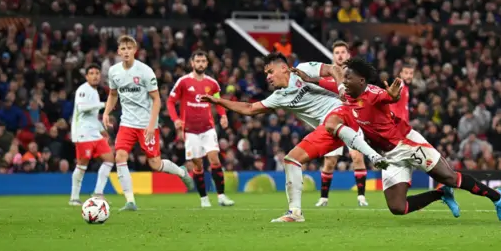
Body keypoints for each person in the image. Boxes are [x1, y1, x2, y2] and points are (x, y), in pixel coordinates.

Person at [293, 57, 501, 221]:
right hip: (388, 156)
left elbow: (390, 97)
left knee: (451, 178)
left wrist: (394, 96)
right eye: (344, 77)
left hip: (407, 144)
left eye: (348, 78)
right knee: (398, 208)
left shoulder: (375, 94)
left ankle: (496, 197)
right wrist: (309, 79)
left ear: (361, 80)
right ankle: (440, 195)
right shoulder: (347, 92)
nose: (343, 81)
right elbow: (327, 83)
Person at [201, 52, 388, 223]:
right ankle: (295, 212)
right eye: (266, 74)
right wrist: (219, 101)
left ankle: (373, 156)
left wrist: (340, 88)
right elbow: (249, 109)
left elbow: (334, 69)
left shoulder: (304, 69)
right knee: (291, 160)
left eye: (270, 72)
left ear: (283, 68)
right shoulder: (279, 96)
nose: (268, 77)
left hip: (344, 110)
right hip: (330, 130)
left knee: (333, 123)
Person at [103, 35, 194, 211]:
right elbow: (113, 94)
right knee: (120, 156)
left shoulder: (145, 71)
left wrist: (152, 125)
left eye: (129, 48)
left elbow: (157, 100)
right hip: (127, 123)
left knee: (155, 164)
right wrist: (106, 112)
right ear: (119, 52)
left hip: (146, 124)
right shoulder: (114, 71)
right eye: (123, 48)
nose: (126, 51)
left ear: (135, 50)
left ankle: (181, 172)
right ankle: (130, 202)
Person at [167, 50, 235, 208]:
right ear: (192, 64)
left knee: (215, 160)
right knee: (198, 165)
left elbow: (218, 102)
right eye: (197, 61)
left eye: (203, 61)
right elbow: (170, 102)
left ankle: (221, 196)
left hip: (208, 129)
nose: (200, 64)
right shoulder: (183, 82)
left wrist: (223, 116)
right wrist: (176, 120)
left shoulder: (212, 83)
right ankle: (204, 199)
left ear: (207, 63)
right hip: (190, 131)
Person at [315, 41, 369, 207]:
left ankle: (361, 197)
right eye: (337, 52)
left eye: (343, 52)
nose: (340, 55)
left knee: (357, 157)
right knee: (330, 161)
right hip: (332, 121)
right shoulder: (327, 74)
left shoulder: (356, 74)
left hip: (352, 120)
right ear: (333, 56)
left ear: (348, 55)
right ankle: (323, 198)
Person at [69, 64, 114, 206]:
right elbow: (82, 108)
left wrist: (102, 129)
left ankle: (98, 193)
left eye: (97, 73)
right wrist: (103, 105)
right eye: (91, 73)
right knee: (82, 165)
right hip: (82, 133)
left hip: (94, 133)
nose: (94, 76)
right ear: (86, 76)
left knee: (109, 159)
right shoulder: (83, 90)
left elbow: (92, 116)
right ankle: (74, 197)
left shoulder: (95, 92)